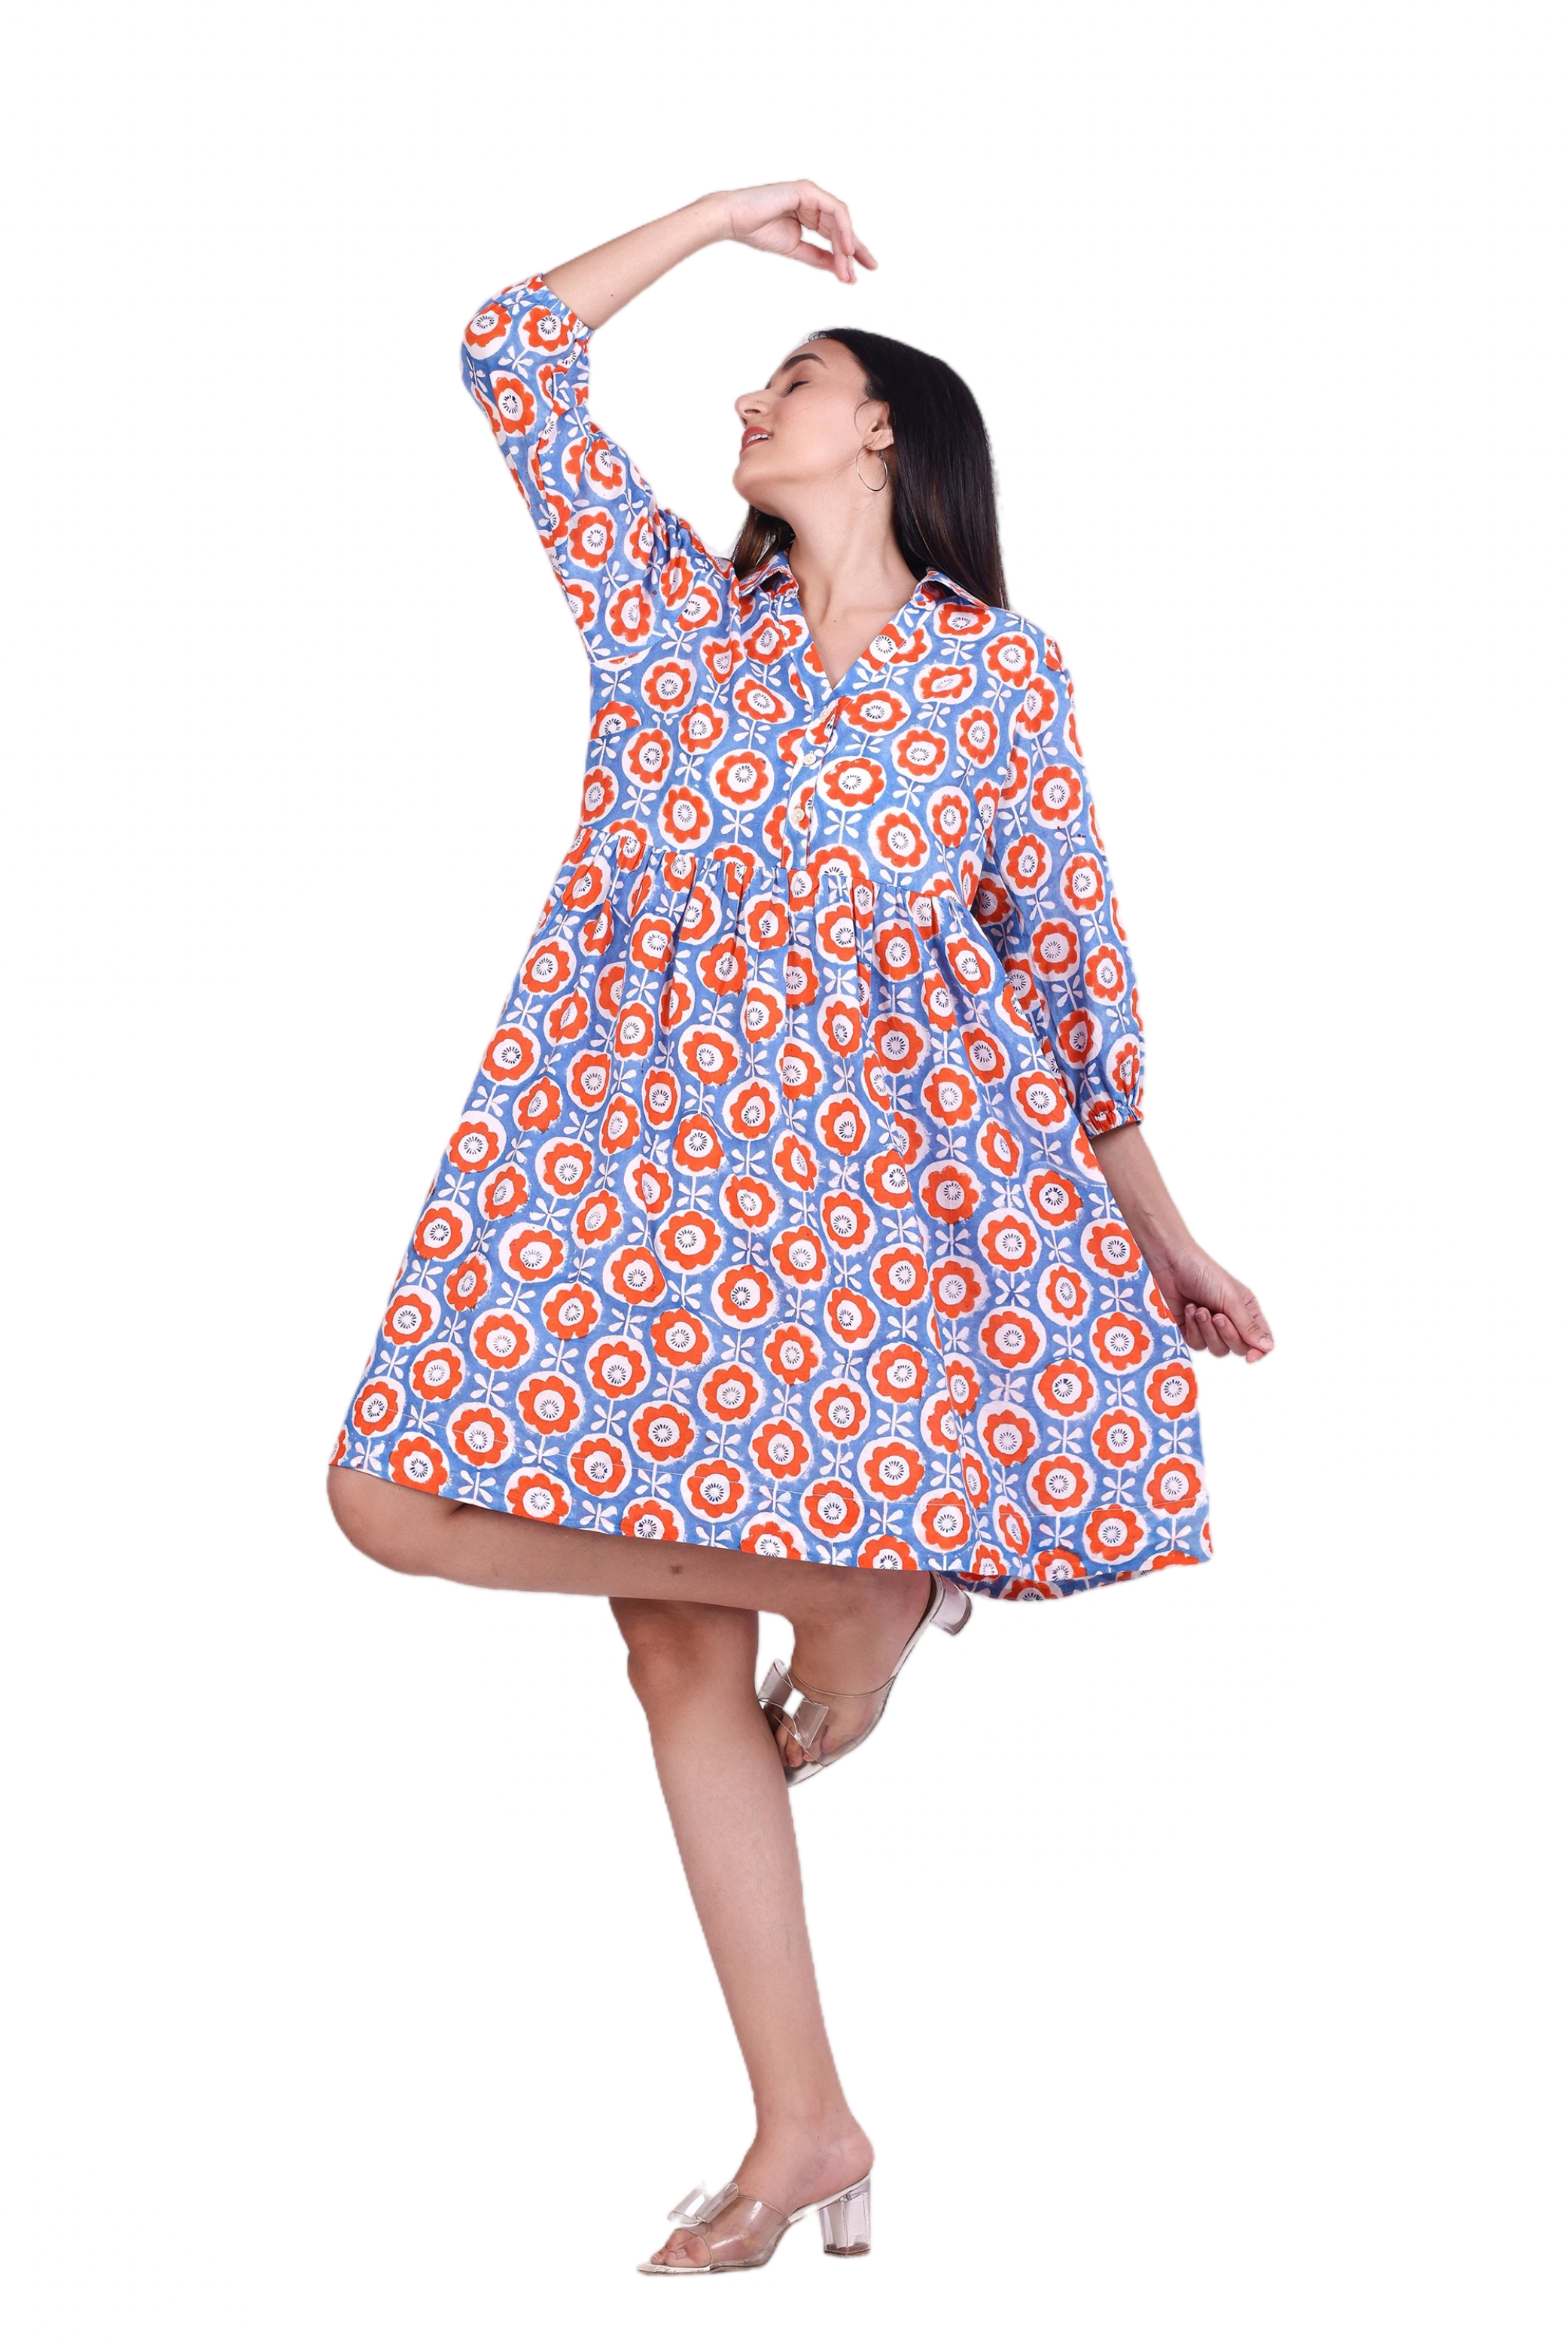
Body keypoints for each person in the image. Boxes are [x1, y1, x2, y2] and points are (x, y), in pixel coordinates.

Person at [321, 176, 1279, 2280]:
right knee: (391, 1503)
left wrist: (1168, 1239)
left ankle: (800, 2124)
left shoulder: (1001, 681)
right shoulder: (670, 615)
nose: (750, 402)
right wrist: (727, 217)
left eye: (792, 376)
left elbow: (1075, 987)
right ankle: (869, 1600)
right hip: (614, 1192)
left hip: (880, 1222)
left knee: (670, 1644)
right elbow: (513, 351)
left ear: (887, 433)